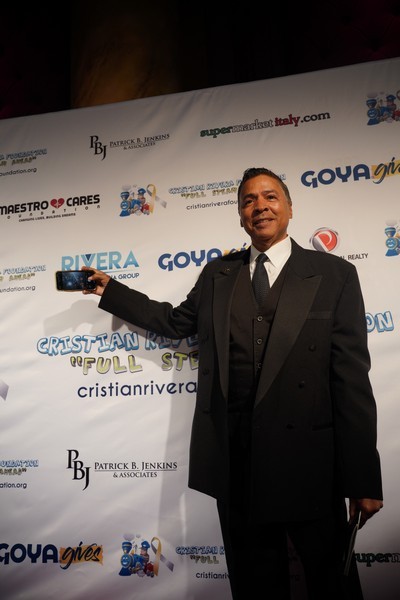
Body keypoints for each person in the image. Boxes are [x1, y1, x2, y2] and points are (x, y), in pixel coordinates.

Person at [81, 167, 383, 599]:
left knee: (333, 586)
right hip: (237, 466)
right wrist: (112, 290)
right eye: (248, 201)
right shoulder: (217, 275)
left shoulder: (335, 274)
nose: (260, 207)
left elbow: (351, 381)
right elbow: (174, 322)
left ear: (290, 208)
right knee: (255, 588)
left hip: (311, 466)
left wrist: (363, 479)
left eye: (270, 197)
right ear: (240, 216)